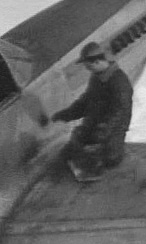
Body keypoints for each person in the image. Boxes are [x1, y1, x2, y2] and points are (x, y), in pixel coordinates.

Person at [54, 42, 133, 178]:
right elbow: (86, 101)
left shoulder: (119, 82)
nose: (87, 68)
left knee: (110, 159)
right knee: (68, 152)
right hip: (94, 124)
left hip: (113, 129)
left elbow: (120, 111)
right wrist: (67, 114)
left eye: (88, 65)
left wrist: (103, 130)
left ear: (96, 61)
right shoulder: (96, 77)